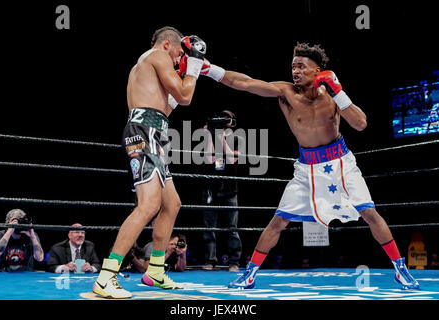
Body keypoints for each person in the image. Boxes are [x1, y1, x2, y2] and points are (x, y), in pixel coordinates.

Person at [193, 42, 419, 290]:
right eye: (293, 66)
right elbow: (246, 83)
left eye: (301, 66)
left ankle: (400, 269)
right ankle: (249, 274)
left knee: (370, 213)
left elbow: (361, 123)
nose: (295, 71)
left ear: (317, 70)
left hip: (340, 164)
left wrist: (338, 92)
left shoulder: (332, 96)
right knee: (278, 221)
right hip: (306, 169)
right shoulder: (286, 93)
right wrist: (208, 69)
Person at [92, 26, 207, 298]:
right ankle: (106, 276)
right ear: (168, 44)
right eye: (180, 52)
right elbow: (185, 96)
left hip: (154, 133)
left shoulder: (149, 66)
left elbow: (168, 107)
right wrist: (192, 67)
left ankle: (155, 271)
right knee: (149, 205)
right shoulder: (156, 55)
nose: (181, 57)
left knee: (172, 203)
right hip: (143, 134)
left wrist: (186, 73)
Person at [201, 110, 242, 273]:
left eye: (227, 119)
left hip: (230, 189)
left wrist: (222, 138)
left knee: (232, 227)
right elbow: (209, 159)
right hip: (211, 188)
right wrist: (211, 136)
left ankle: (234, 262)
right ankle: (210, 261)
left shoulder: (238, 138)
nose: (224, 121)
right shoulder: (209, 135)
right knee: (209, 227)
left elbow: (232, 159)